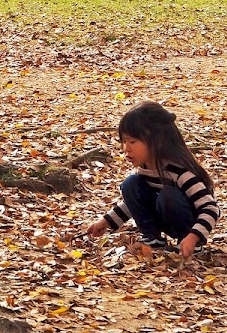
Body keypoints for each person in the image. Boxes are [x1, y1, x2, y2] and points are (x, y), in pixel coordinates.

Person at [85, 101, 219, 258]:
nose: (126, 148)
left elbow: (210, 208)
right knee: (130, 184)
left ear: (157, 140)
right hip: (163, 215)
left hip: (190, 227)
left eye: (133, 142)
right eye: (124, 141)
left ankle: (190, 245)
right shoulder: (144, 171)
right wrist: (105, 222)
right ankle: (152, 238)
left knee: (168, 195)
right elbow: (134, 203)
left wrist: (193, 237)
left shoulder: (180, 172)